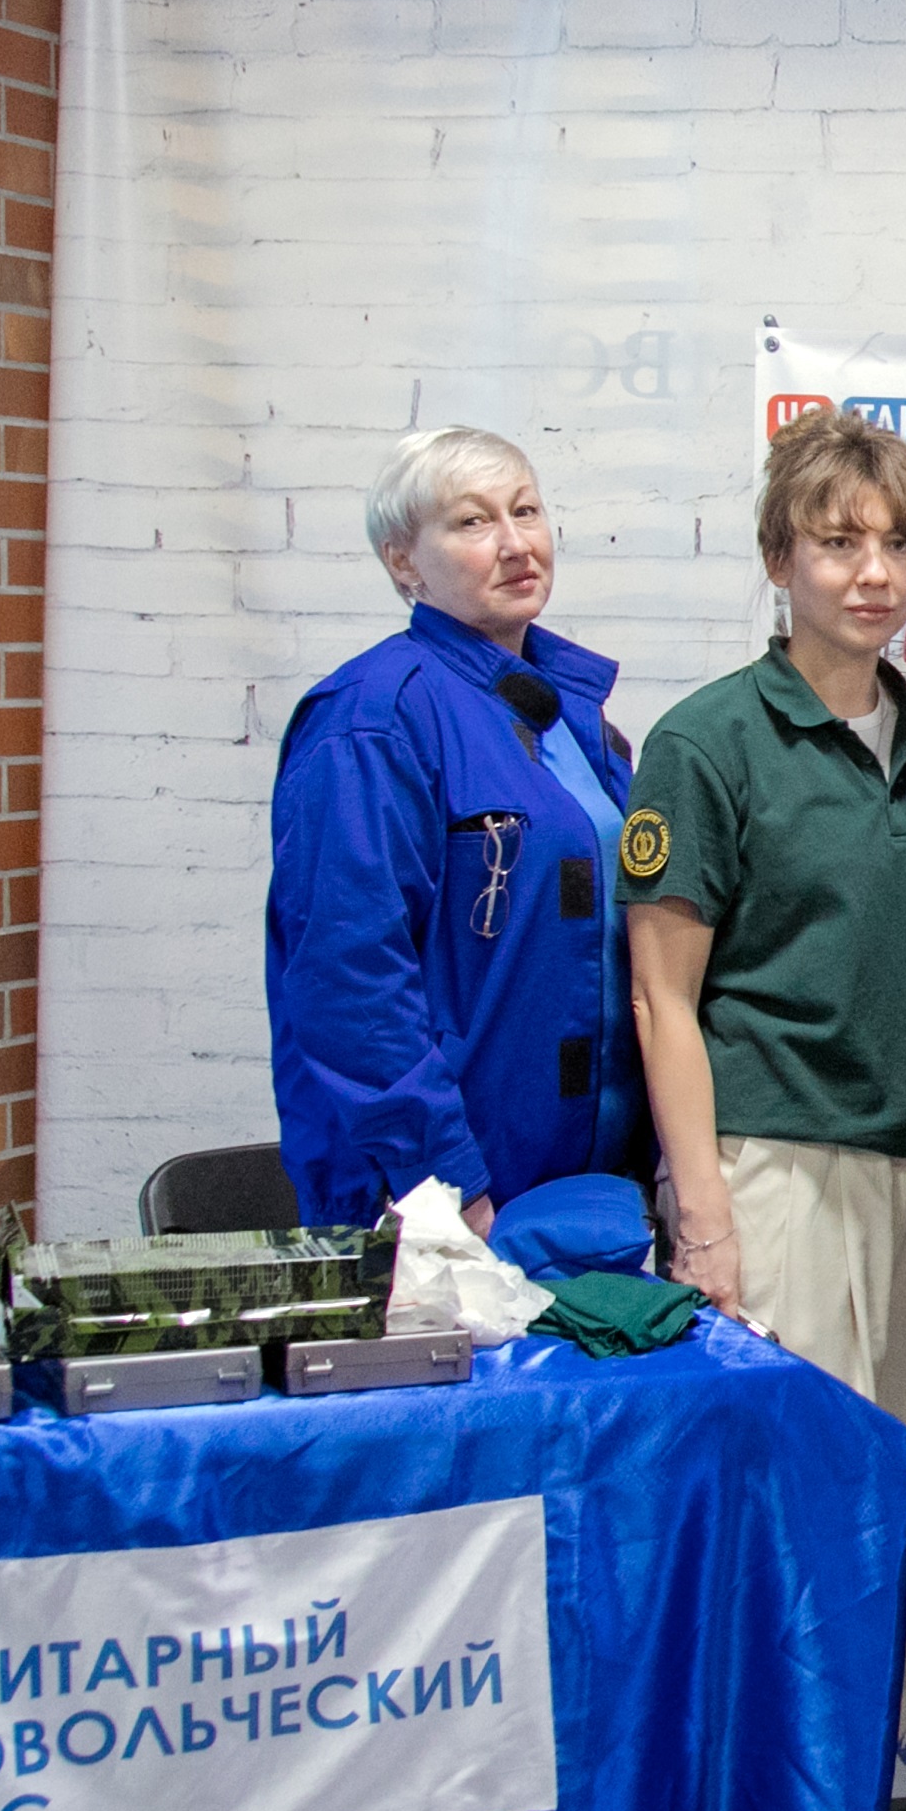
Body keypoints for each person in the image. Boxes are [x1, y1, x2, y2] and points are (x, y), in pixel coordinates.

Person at [624, 408, 906, 1811]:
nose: (871, 570)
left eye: (896, 543)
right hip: (777, 1164)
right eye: (837, 541)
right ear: (780, 557)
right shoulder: (708, 742)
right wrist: (702, 1217)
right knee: (803, 1525)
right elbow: (662, 999)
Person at [270, 427, 648, 1236]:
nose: (515, 544)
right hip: (447, 1202)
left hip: (578, 1194)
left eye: (526, 511)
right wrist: (444, 1184)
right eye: (473, 522)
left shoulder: (567, 716)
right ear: (402, 561)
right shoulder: (374, 720)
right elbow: (348, 978)